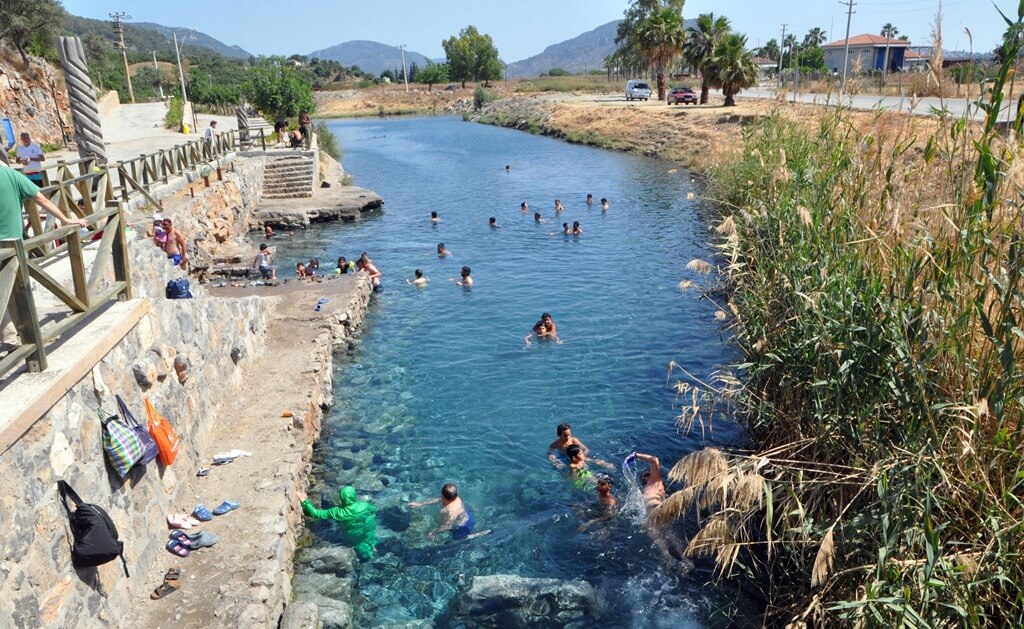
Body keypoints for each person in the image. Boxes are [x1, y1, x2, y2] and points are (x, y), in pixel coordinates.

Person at [0, 167, 88, 346]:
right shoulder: (11, 175)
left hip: (9, 245)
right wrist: (65, 219)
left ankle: (10, 338)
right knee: (17, 289)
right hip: (14, 242)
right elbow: (40, 198)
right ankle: (28, 336)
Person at [298, 486, 378, 560]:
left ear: (341, 497)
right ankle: (371, 550)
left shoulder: (337, 512)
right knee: (368, 539)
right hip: (368, 531)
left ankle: (363, 556)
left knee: (356, 543)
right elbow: (374, 510)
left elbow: (315, 513)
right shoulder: (365, 506)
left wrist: (304, 501)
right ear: (354, 495)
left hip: (352, 535)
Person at [408, 483, 490, 541]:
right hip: (466, 515)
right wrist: (421, 504)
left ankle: (477, 534)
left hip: (462, 525)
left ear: (443, 495)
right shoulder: (455, 498)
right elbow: (437, 500)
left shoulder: (451, 511)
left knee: (459, 539)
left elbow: (447, 526)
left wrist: (433, 533)